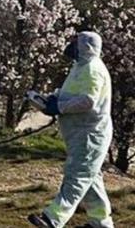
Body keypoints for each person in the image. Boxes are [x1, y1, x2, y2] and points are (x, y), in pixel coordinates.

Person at [28, 31, 113, 228]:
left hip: (89, 134)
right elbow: (72, 94)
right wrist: (52, 99)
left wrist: (58, 107)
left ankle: (53, 218)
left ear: (86, 46)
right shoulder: (80, 67)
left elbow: (88, 101)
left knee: (77, 176)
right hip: (79, 134)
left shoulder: (93, 68)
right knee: (90, 177)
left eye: (75, 43)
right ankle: (101, 223)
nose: (71, 46)